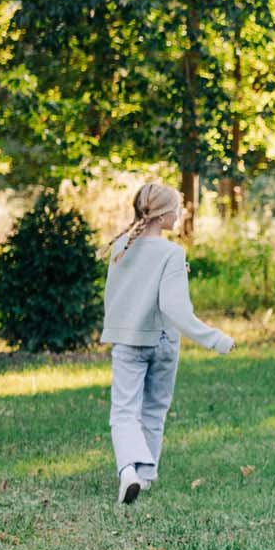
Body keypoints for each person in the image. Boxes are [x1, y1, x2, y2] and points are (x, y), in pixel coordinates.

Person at [100, 181, 235, 505]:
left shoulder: (120, 247)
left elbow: (116, 297)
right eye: (176, 209)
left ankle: (128, 472)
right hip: (162, 342)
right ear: (161, 216)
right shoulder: (171, 253)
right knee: (154, 410)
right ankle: (145, 476)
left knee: (124, 412)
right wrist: (215, 339)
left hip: (128, 341)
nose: (180, 214)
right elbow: (175, 309)